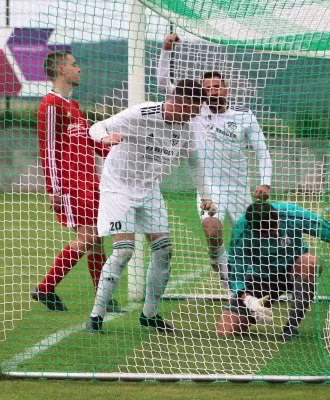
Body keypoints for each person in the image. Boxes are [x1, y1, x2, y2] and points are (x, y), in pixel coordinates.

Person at [86, 79, 216, 333]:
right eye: (194, 108)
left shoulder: (186, 128)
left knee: (164, 249)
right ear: (180, 102)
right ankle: (96, 316)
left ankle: (149, 315)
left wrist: (206, 195)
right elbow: (96, 126)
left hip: (149, 189)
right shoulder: (141, 113)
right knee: (124, 251)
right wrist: (106, 137)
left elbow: (194, 163)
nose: (196, 114)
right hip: (118, 187)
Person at [157, 33, 273, 289]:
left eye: (217, 86)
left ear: (226, 89)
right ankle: (223, 271)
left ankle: (253, 282)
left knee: (253, 242)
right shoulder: (195, 112)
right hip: (210, 189)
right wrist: (166, 50)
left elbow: (262, 151)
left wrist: (265, 183)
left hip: (239, 188)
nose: (213, 91)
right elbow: (164, 83)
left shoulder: (244, 116)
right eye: (207, 88)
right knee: (212, 229)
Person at [32, 50, 123, 313]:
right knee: (89, 237)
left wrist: (116, 151)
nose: (79, 69)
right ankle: (45, 287)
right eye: (74, 65)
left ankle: (103, 298)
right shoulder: (51, 104)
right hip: (71, 185)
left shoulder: (73, 106)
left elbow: (88, 143)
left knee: (97, 239)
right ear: (61, 70)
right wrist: (54, 190)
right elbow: (47, 148)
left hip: (89, 182)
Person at [216, 201, 330, 342]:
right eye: (267, 232)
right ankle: (253, 312)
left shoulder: (291, 214)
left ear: (277, 216)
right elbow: (235, 276)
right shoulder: (242, 233)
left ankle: (290, 328)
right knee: (225, 330)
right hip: (261, 278)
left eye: (275, 226)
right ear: (254, 228)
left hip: (293, 270)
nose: (275, 233)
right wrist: (250, 301)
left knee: (310, 262)